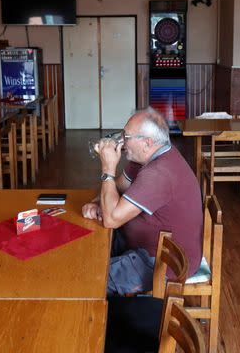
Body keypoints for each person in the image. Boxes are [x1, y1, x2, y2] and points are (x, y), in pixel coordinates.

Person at [81, 107, 203, 296]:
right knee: (86, 247)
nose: (120, 141)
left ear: (147, 143)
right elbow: (119, 186)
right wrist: (96, 202)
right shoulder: (147, 158)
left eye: (126, 136)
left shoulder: (159, 173)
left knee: (89, 279)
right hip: (141, 243)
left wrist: (107, 169)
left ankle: (98, 321)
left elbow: (111, 219)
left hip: (161, 262)